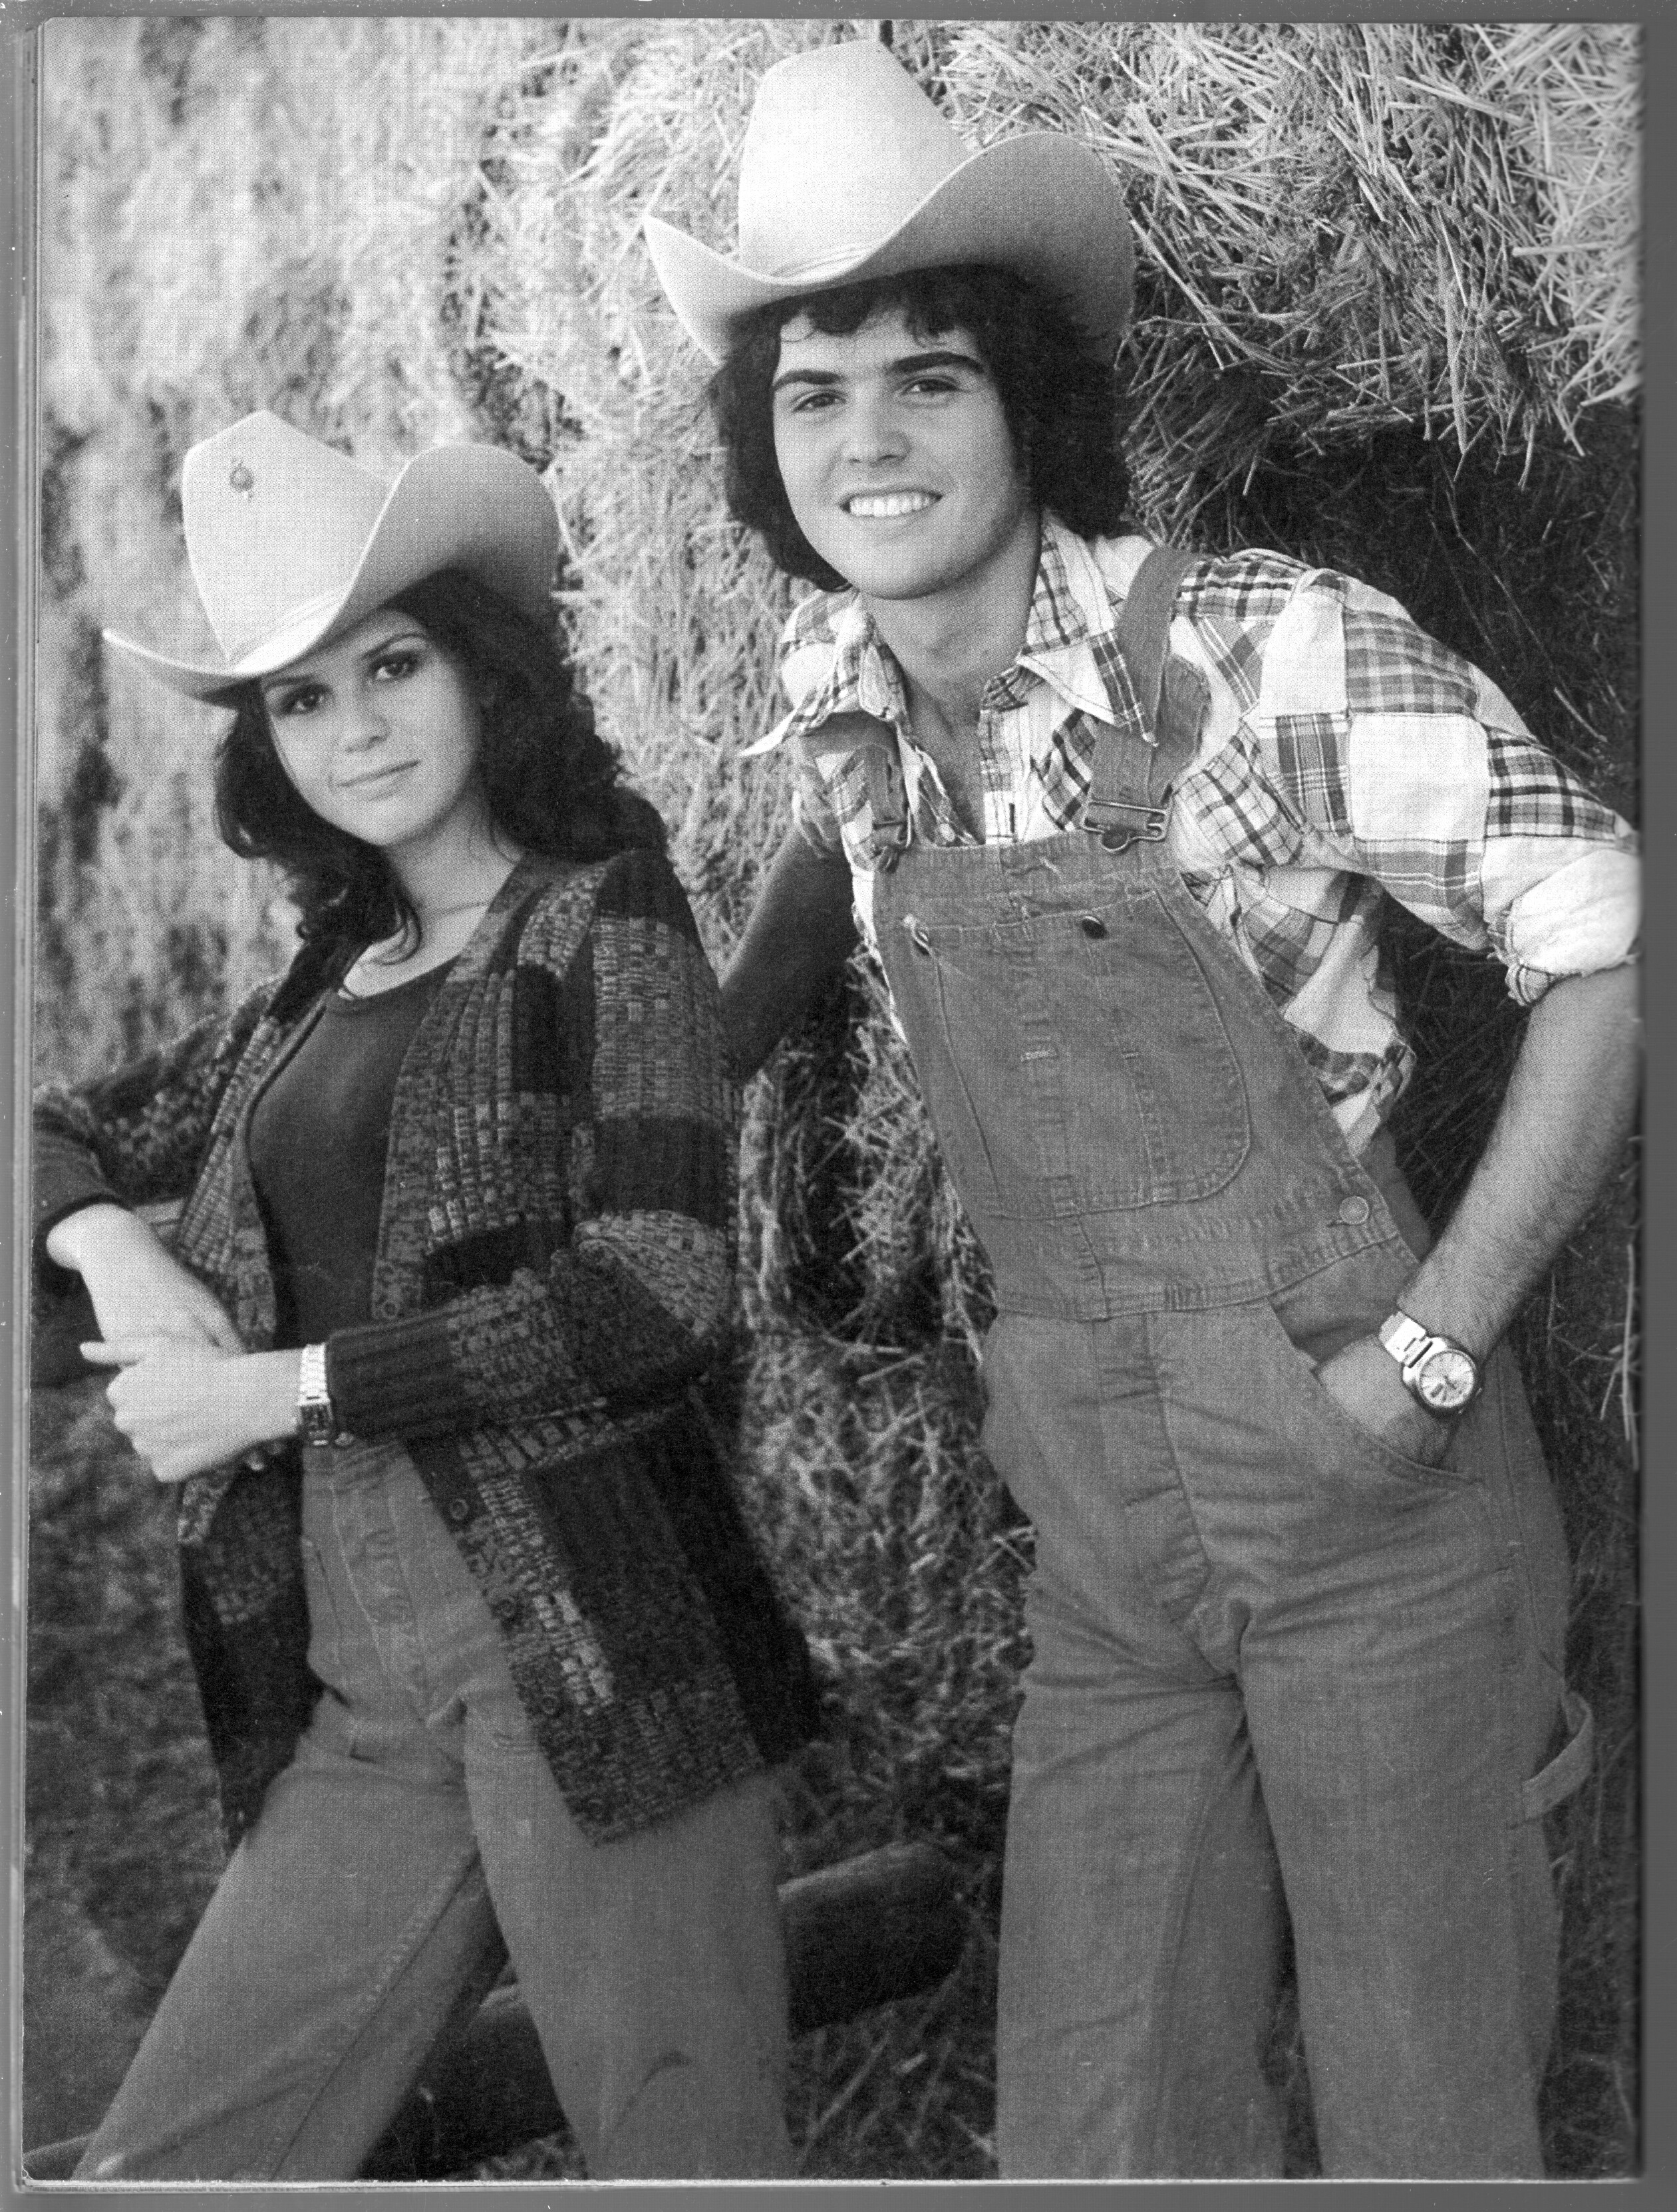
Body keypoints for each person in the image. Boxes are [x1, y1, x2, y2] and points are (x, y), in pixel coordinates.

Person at [642, 37, 1642, 2181]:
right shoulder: (834, 694)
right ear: (762, 447)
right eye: (813, 394)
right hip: (1094, 1514)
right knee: (1094, 2126)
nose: (866, 440)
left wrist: (1428, 1349)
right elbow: (838, 862)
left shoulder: (1258, 655)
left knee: (1421, 2118)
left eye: (926, 378)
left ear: (1026, 403)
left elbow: (1602, 937)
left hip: (1352, 1478)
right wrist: (703, 1050)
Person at [31, 410, 820, 2181]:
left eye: (393, 666)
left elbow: (663, 1282)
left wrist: (282, 1388)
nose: (359, 728)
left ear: (483, 672)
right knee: (171, 2168)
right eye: (302, 700)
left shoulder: (598, 919)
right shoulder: (314, 989)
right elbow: (48, 1128)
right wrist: (110, 1244)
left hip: (599, 1643)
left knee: (687, 2159)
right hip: (358, 1683)